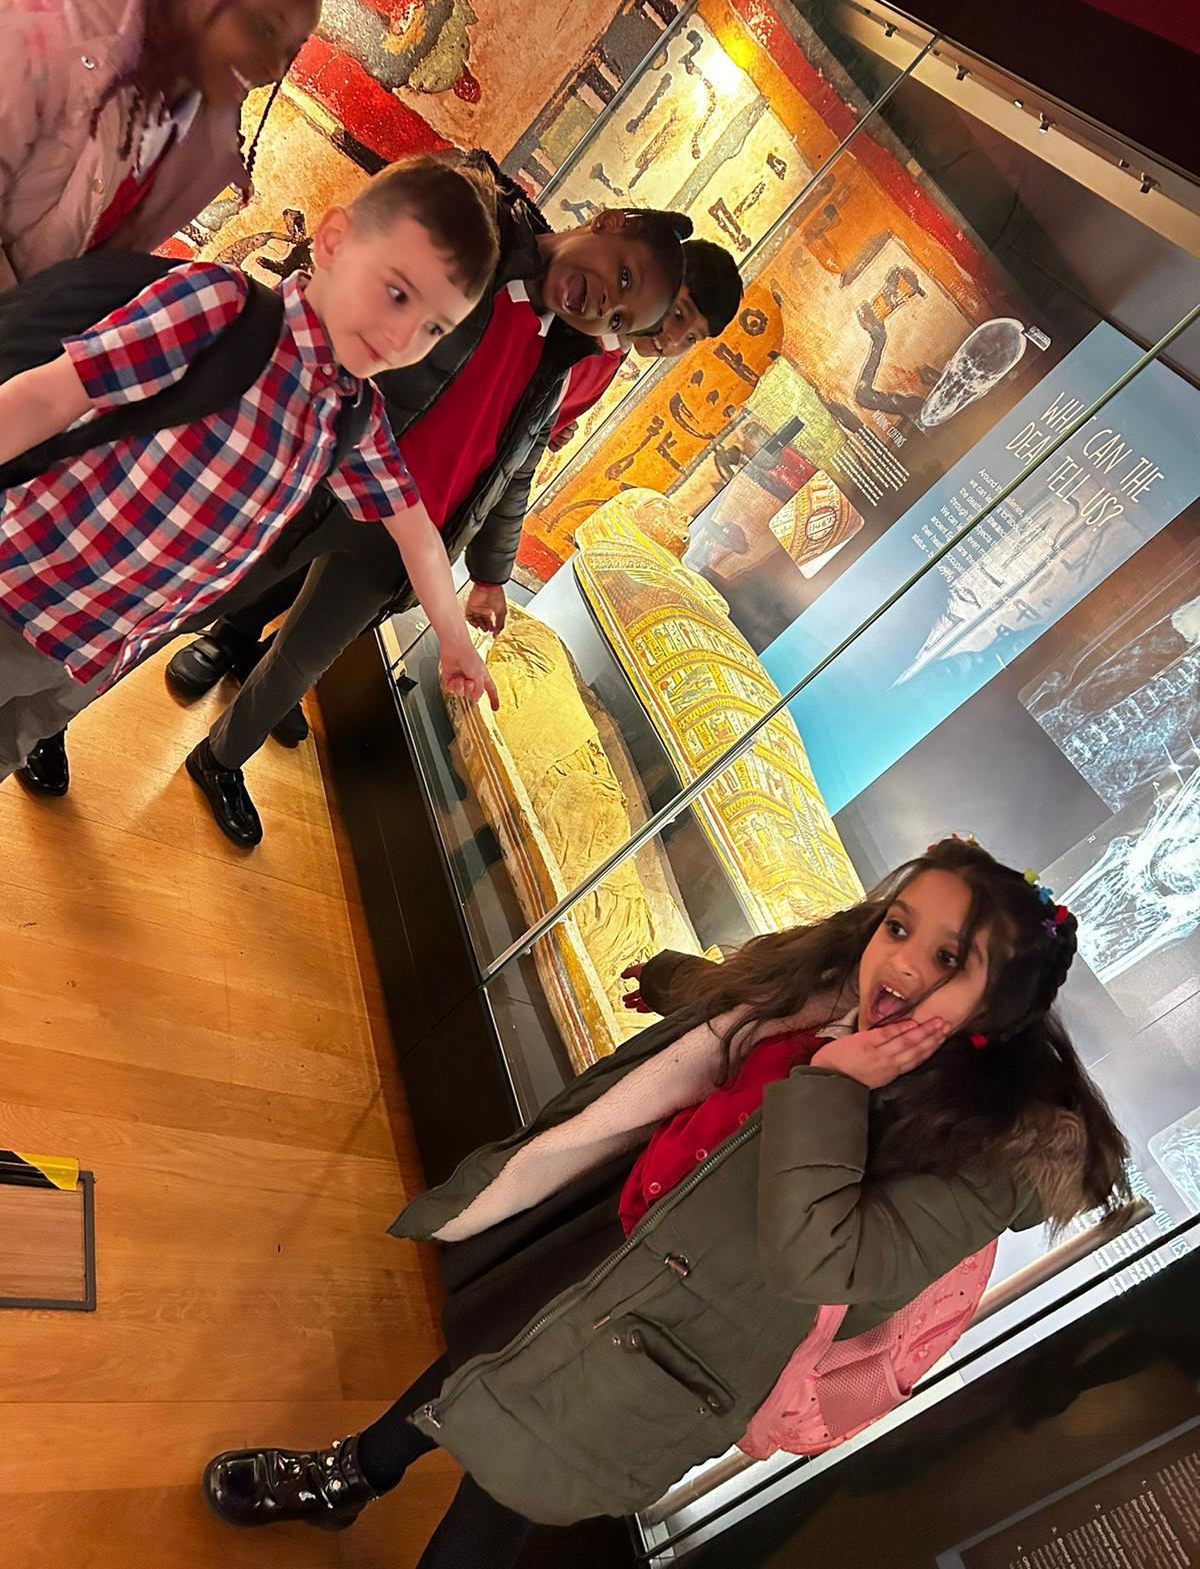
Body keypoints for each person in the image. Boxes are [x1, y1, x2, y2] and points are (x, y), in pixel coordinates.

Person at [203, 837, 1130, 1566]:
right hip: (623, 1231)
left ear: (1000, 1008)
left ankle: (362, 1483)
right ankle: (354, 1474)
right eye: (899, 927)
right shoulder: (831, 987)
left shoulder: (982, 1156)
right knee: (488, 1356)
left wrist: (836, 1089)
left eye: (950, 957)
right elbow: (748, 1013)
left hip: (677, 1341)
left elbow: (826, 1261)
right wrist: (676, 980)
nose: (902, 961)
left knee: (513, 1470)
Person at [145, 168, 694, 846]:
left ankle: (222, 757)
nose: (606, 304)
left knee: (301, 659)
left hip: (404, 542)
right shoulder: (481, 251)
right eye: (623, 277)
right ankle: (71, 703)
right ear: (606, 223)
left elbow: (512, 471)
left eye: (621, 319)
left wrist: (490, 575)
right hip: (331, 478)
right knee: (198, 591)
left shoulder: (560, 365)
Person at [0, 154, 502, 782]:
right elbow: (48, 396)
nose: (404, 339)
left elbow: (416, 532)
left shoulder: (353, 414)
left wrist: (454, 639)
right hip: (24, 588)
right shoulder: (219, 307)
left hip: (100, 649)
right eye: (397, 293)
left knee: (10, 747)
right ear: (333, 241)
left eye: (433, 328)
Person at [0, 0, 328, 292]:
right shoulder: (35, 38)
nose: (274, 68)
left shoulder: (195, 135)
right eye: (262, 29)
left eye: (291, 50)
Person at [545, 236, 744, 452]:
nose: (674, 340)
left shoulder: (614, 354)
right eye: (678, 314)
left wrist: (552, 430)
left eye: (691, 338)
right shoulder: (579, 326)